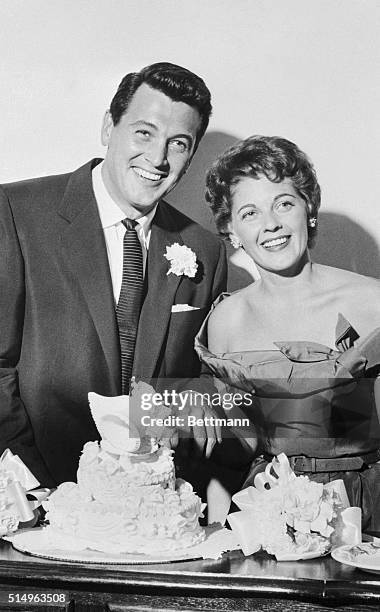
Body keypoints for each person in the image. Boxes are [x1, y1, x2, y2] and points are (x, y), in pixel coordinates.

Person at [0, 62, 227, 488]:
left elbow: (201, 375)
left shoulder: (205, 250)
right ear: (109, 127)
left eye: (178, 144)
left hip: (150, 501)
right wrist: (30, 483)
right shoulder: (15, 212)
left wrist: (200, 394)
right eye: (144, 132)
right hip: (32, 493)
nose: (158, 159)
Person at [195, 135, 380, 529]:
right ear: (231, 232)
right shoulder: (227, 318)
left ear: (309, 210)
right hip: (269, 510)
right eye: (250, 213)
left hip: (367, 507)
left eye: (284, 203)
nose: (272, 224)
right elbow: (239, 449)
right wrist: (194, 413)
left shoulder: (372, 301)